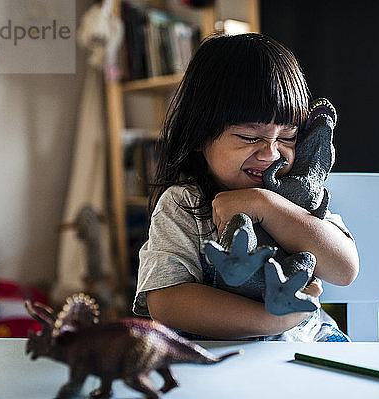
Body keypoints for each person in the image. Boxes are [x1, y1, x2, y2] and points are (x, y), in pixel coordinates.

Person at [133, 33, 359, 341]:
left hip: (308, 345)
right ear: (201, 136)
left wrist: (263, 205)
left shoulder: (300, 195)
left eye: (288, 137)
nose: (271, 153)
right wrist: (271, 320)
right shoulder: (182, 203)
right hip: (222, 356)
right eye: (250, 137)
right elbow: (165, 301)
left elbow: (344, 270)